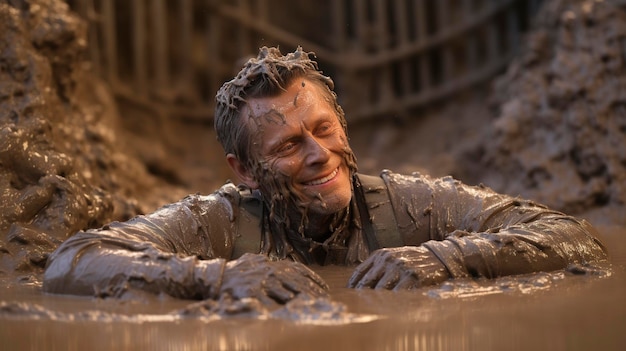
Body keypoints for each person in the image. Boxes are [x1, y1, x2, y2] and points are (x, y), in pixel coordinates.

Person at [43, 46, 607, 303]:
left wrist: (444, 257)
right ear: (243, 171)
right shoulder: (215, 224)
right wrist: (215, 280)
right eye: (289, 144)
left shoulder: (407, 206)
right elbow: (73, 259)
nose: (320, 155)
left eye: (324, 129)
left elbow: (570, 235)